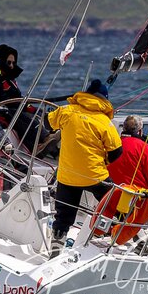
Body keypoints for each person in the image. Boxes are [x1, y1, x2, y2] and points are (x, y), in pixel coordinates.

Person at [46, 78, 123, 243]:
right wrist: (104, 161)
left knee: (63, 215)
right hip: (94, 175)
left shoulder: (66, 111)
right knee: (116, 203)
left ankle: (57, 244)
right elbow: (116, 151)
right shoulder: (105, 122)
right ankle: (134, 236)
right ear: (104, 100)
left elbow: (47, 122)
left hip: (67, 175)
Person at [107, 116, 148, 198]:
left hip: (109, 195)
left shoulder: (110, 145)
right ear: (140, 131)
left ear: (123, 128)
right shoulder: (147, 150)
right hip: (135, 199)